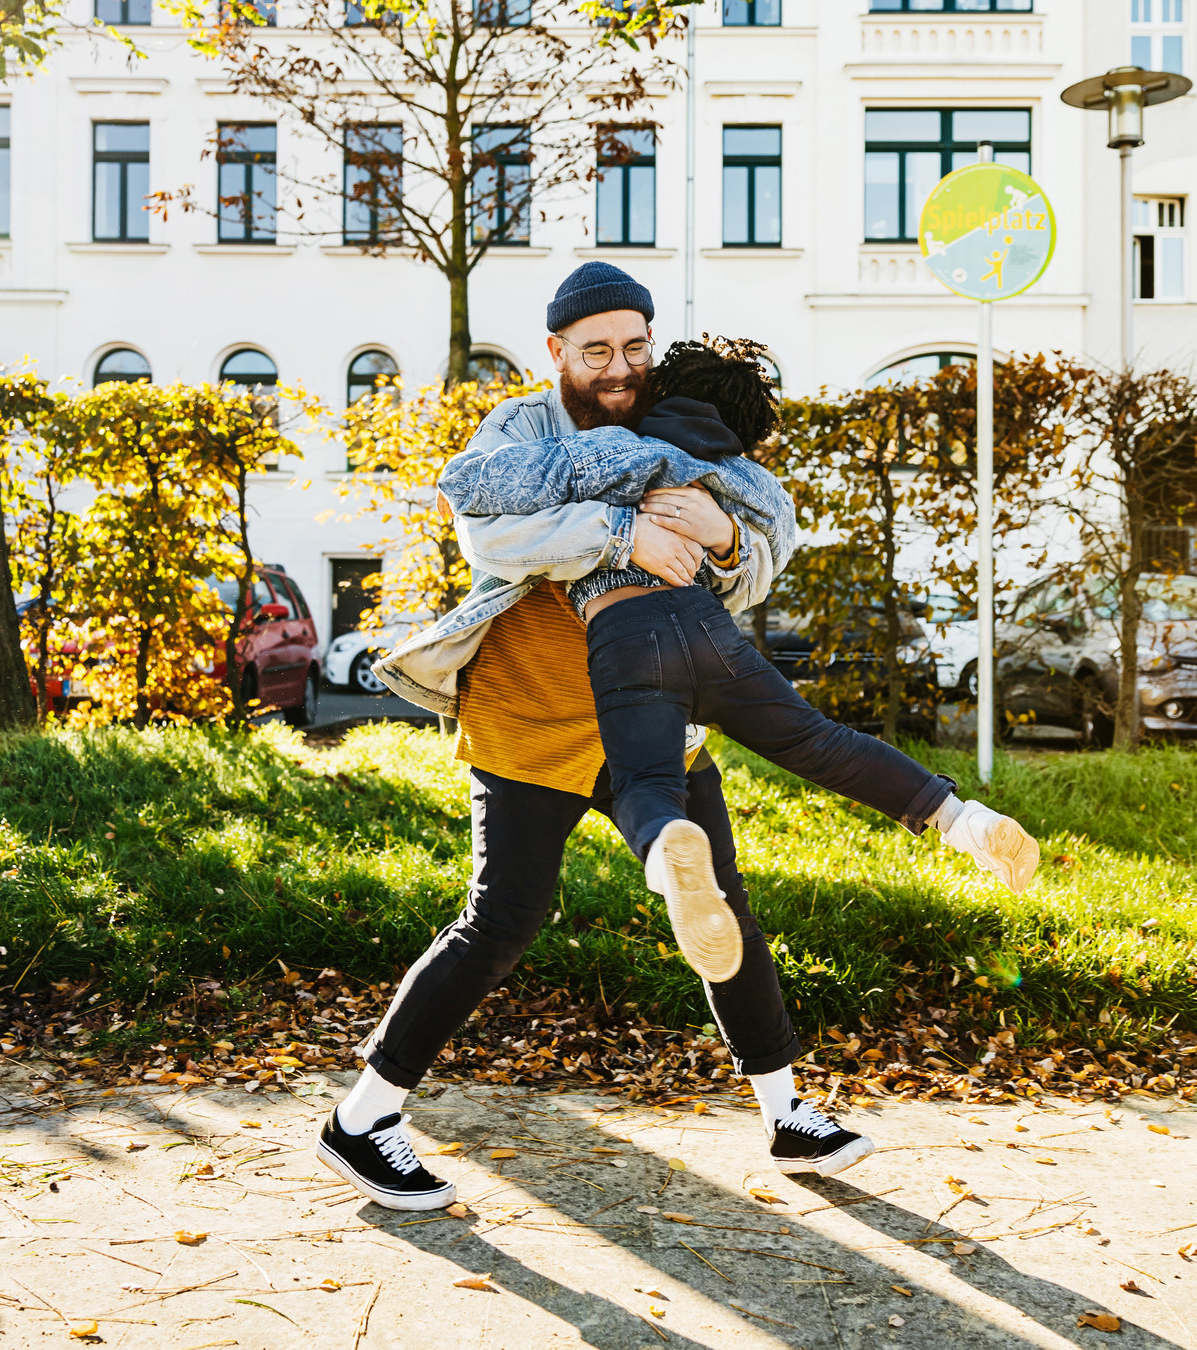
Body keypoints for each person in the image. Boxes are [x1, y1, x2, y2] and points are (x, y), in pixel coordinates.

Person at [310, 264, 1006, 1211]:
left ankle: (786, 1114)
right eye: (595, 351)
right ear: (556, 351)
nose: (619, 368)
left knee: (721, 904)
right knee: (502, 924)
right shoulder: (522, 427)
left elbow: (756, 559)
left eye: (634, 346)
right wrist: (618, 534)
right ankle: (361, 1121)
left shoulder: (667, 409)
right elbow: (488, 540)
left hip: (649, 706)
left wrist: (723, 537)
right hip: (530, 715)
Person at [436, 334, 1040, 984]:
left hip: (622, 638)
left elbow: (467, 485)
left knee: (642, 780)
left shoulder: (611, 448)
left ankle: (672, 856)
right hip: (702, 637)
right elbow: (777, 534)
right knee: (816, 739)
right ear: (743, 431)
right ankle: (963, 820)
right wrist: (723, 532)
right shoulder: (747, 478)